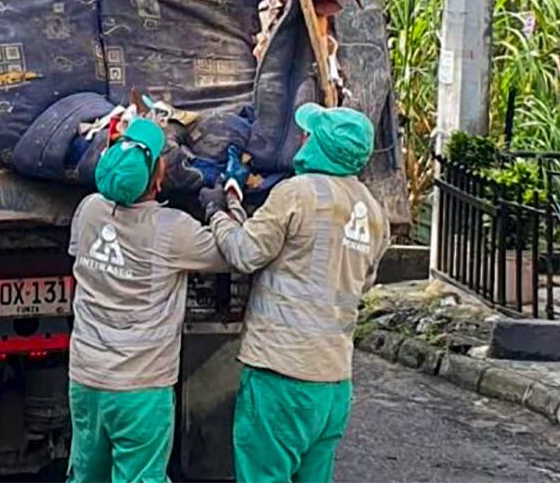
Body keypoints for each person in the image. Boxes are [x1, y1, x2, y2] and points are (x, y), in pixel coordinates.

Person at [202, 104, 388, 483]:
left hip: (282, 375)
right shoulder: (373, 212)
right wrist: (237, 205)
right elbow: (358, 281)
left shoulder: (298, 193)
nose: (302, 138)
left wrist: (215, 214)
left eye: (310, 133)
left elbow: (245, 253)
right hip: (333, 383)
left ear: (322, 145)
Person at [67, 114, 226, 483]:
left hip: (87, 381)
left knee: (87, 475)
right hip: (141, 389)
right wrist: (220, 207)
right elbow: (232, 253)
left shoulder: (89, 210)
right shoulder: (173, 230)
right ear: (157, 178)